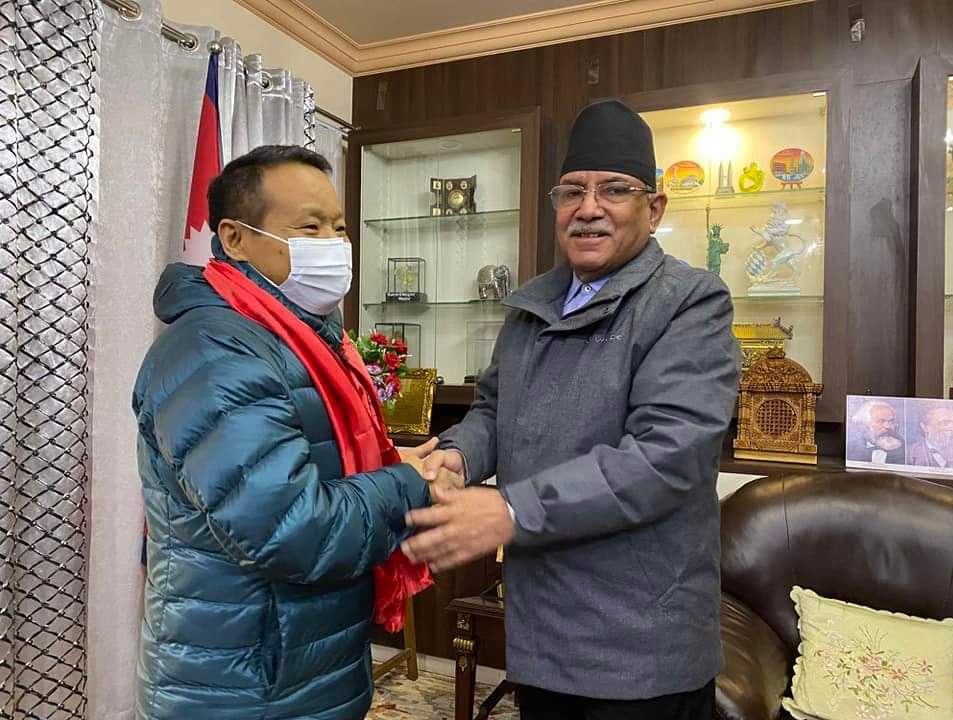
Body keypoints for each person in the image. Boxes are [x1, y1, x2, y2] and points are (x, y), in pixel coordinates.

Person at [402, 100, 741, 719]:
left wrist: (512, 509)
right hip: (542, 631)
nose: (589, 208)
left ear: (654, 208)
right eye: (572, 192)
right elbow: (492, 410)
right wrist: (458, 456)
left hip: (639, 649)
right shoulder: (531, 306)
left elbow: (665, 457)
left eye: (614, 189)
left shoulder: (690, 303)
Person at [132, 145, 443, 720]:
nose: (334, 243)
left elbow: (303, 465)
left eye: (339, 227)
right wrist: (404, 483)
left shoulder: (304, 337)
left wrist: (388, 463)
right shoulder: (216, 351)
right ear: (234, 238)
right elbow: (292, 529)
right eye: (310, 226)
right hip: (242, 687)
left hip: (303, 669)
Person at [847, 400, 905, 465]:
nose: (888, 426)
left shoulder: (905, 449)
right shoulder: (850, 449)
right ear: (865, 425)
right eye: (880, 421)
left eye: (891, 421)